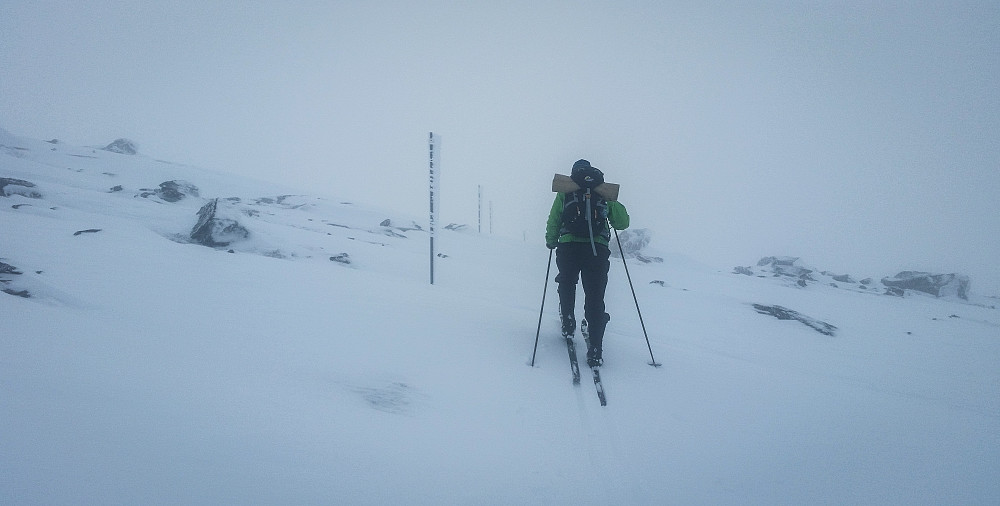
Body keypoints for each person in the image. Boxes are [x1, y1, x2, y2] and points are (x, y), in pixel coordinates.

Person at [545, 159, 630, 367]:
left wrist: (551, 240)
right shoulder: (602, 191)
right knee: (595, 295)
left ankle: (568, 321)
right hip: (597, 250)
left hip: (568, 246)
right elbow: (622, 222)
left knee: (567, 283)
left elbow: (554, 218)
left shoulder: (567, 189)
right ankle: (595, 349)